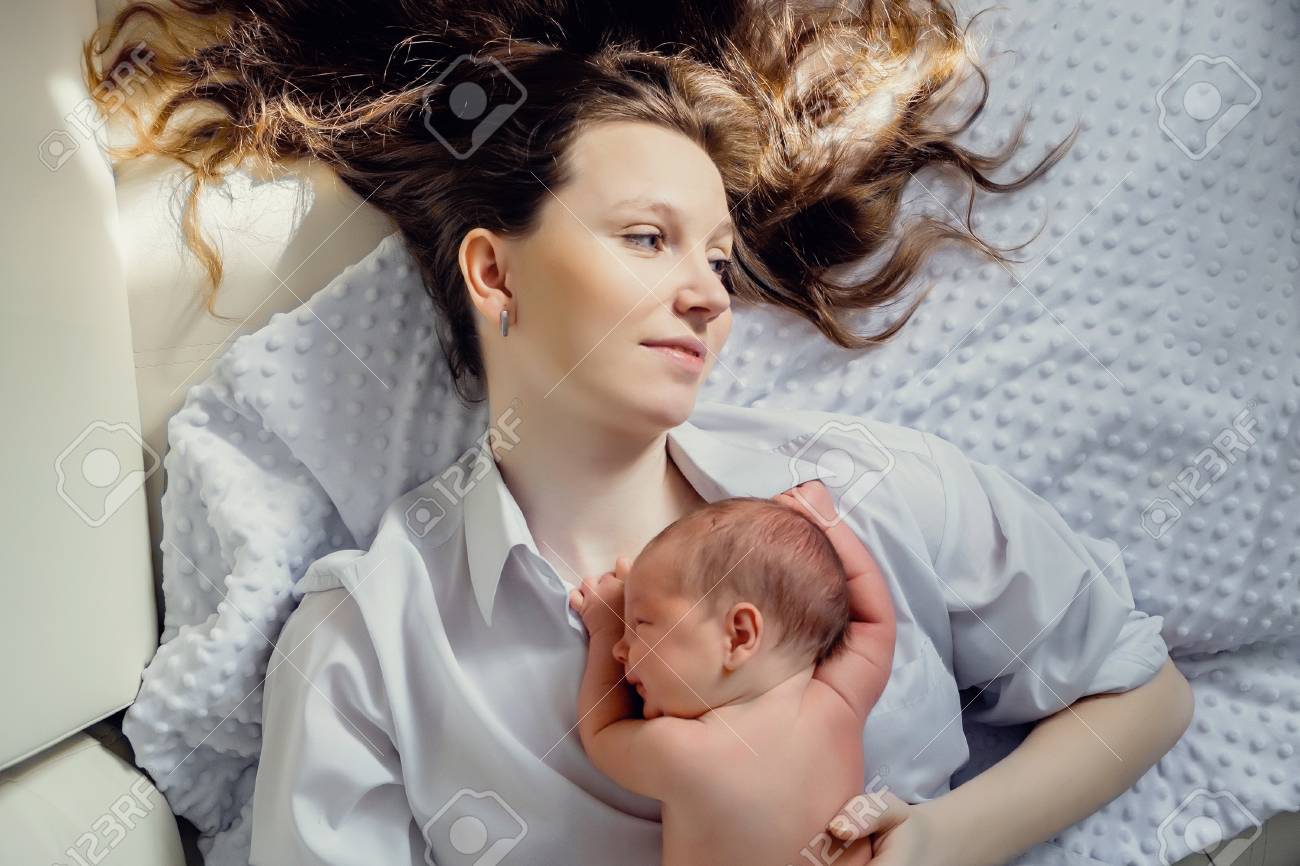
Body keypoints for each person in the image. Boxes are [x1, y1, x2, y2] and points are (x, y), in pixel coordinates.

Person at [83, 2, 1194, 864]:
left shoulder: (870, 488)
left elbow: (1141, 691)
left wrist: (943, 842)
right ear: (494, 272)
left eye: (717, 259)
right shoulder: (370, 641)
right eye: (647, 239)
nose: (707, 294)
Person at [566, 481, 896, 866]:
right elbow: (875, 624)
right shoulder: (838, 704)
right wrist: (826, 522)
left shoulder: (684, 752)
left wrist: (606, 627)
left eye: (640, 624)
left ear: (739, 635)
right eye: (623, 629)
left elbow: (602, 732)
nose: (621, 650)